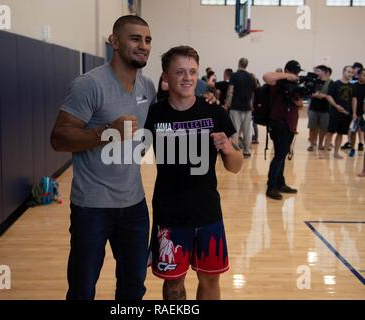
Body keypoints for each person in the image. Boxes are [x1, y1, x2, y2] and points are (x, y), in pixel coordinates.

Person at [50, 15, 156, 300]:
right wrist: (106, 131)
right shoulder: (89, 84)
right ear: (114, 42)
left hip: (134, 204)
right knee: (83, 289)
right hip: (92, 206)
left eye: (147, 40)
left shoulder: (148, 88)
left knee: (134, 287)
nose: (143, 45)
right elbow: (58, 138)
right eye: (135, 38)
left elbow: (155, 130)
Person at [144, 46, 243, 300]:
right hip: (169, 214)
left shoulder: (214, 112)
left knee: (210, 280)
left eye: (192, 72)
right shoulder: (154, 114)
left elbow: (235, 166)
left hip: (208, 213)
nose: (187, 77)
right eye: (180, 72)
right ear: (166, 76)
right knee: (173, 285)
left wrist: (230, 149)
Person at [263, 60, 304, 200]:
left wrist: (298, 102)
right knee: (279, 156)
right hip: (279, 124)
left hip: (290, 126)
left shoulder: (293, 85)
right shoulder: (279, 82)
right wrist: (285, 75)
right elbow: (266, 76)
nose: (296, 75)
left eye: (298, 73)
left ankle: (280, 183)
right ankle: (271, 186)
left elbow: (299, 103)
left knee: (282, 156)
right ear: (287, 70)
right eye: (294, 72)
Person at [225, 58, 256, 158]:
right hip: (247, 108)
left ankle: (235, 150)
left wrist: (227, 104)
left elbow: (231, 90)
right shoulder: (251, 77)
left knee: (235, 130)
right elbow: (252, 93)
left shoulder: (234, 75)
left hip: (235, 107)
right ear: (246, 65)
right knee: (247, 130)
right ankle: (246, 151)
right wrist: (251, 105)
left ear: (239, 64)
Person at [323, 66, 355, 159]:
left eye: (352, 72)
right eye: (348, 72)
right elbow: (328, 96)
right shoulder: (335, 84)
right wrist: (336, 106)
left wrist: (353, 112)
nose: (350, 74)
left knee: (340, 133)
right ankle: (325, 152)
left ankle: (336, 153)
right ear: (343, 72)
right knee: (330, 132)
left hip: (346, 114)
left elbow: (354, 99)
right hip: (335, 113)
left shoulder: (352, 86)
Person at [307, 65, 332, 154]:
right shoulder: (314, 81)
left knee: (323, 129)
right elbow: (308, 93)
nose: (316, 72)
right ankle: (311, 144)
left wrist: (324, 96)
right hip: (313, 108)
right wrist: (315, 95)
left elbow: (332, 96)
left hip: (325, 109)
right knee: (312, 128)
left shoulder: (331, 83)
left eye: (318, 71)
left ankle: (321, 144)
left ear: (324, 72)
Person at [350, 68, 365, 156]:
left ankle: (361, 144)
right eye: (363, 75)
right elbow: (353, 100)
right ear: (358, 75)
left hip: (362, 113)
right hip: (355, 113)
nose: (364, 77)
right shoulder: (354, 86)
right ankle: (352, 148)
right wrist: (354, 113)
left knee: (362, 130)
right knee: (353, 131)